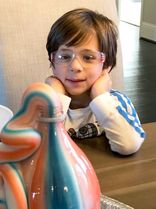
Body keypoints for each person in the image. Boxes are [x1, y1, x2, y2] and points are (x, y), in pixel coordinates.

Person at [45, 8, 145, 155]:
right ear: (53, 62)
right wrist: (55, 100)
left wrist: (99, 97)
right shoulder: (40, 102)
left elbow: (128, 146)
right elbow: (38, 149)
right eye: (65, 57)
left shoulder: (117, 102)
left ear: (106, 65)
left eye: (88, 57)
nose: (75, 67)